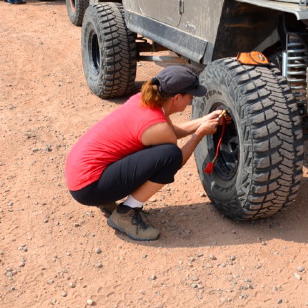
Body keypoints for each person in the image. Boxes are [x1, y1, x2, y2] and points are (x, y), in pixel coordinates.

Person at [65, 66, 223, 241]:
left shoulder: (144, 100)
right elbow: (175, 160)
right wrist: (199, 134)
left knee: (160, 151)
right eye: (190, 97)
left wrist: (204, 120)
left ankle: (107, 196)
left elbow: (170, 131)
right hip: (88, 187)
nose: (190, 101)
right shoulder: (157, 127)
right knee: (171, 155)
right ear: (177, 97)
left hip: (81, 173)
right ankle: (125, 214)